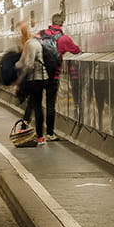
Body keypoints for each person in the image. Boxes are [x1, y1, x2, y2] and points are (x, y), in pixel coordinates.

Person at [38, 12, 81, 141]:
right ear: (62, 23)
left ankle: (36, 133)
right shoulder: (64, 39)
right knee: (50, 105)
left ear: (51, 22)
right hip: (53, 76)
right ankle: (50, 133)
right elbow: (76, 50)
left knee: (36, 104)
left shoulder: (40, 35)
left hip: (38, 74)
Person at [15, 20, 49, 145]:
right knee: (32, 104)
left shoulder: (30, 44)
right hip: (41, 78)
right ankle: (25, 129)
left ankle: (40, 136)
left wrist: (20, 75)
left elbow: (28, 64)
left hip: (35, 79)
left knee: (37, 106)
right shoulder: (37, 43)